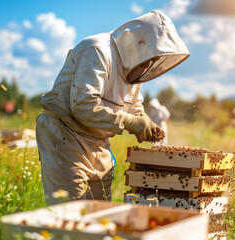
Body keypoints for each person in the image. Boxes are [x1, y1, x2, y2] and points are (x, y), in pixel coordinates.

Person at [35, 11, 189, 205]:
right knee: (71, 212)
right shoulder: (96, 50)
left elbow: (133, 105)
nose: (150, 64)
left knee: (100, 210)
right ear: (139, 42)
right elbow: (83, 105)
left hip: (99, 142)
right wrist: (131, 122)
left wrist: (144, 121)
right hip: (65, 135)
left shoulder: (135, 65)